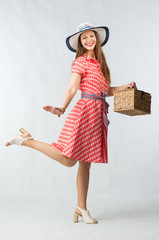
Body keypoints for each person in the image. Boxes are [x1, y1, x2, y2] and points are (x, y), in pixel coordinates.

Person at [5, 22, 137, 224]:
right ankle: (27, 141)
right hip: (84, 113)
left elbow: (104, 91)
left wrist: (123, 87)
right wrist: (62, 107)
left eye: (91, 36)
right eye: (84, 38)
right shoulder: (80, 62)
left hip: (97, 115)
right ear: (80, 44)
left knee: (85, 165)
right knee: (68, 160)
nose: (89, 40)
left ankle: (81, 208)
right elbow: (72, 87)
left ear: (97, 39)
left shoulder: (100, 64)